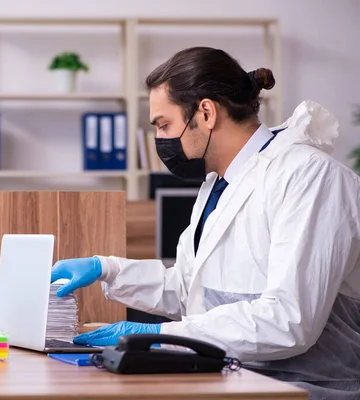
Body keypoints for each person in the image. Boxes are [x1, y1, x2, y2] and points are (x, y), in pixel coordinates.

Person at [50, 47, 360, 400]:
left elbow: (289, 320)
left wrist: (161, 338)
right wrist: (107, 270)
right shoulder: (219, 184)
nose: (161, 141)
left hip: (307, 388)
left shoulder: (309, 177)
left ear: (207, 113)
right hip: (238, 378)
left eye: (164, 125)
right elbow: (192, 289)